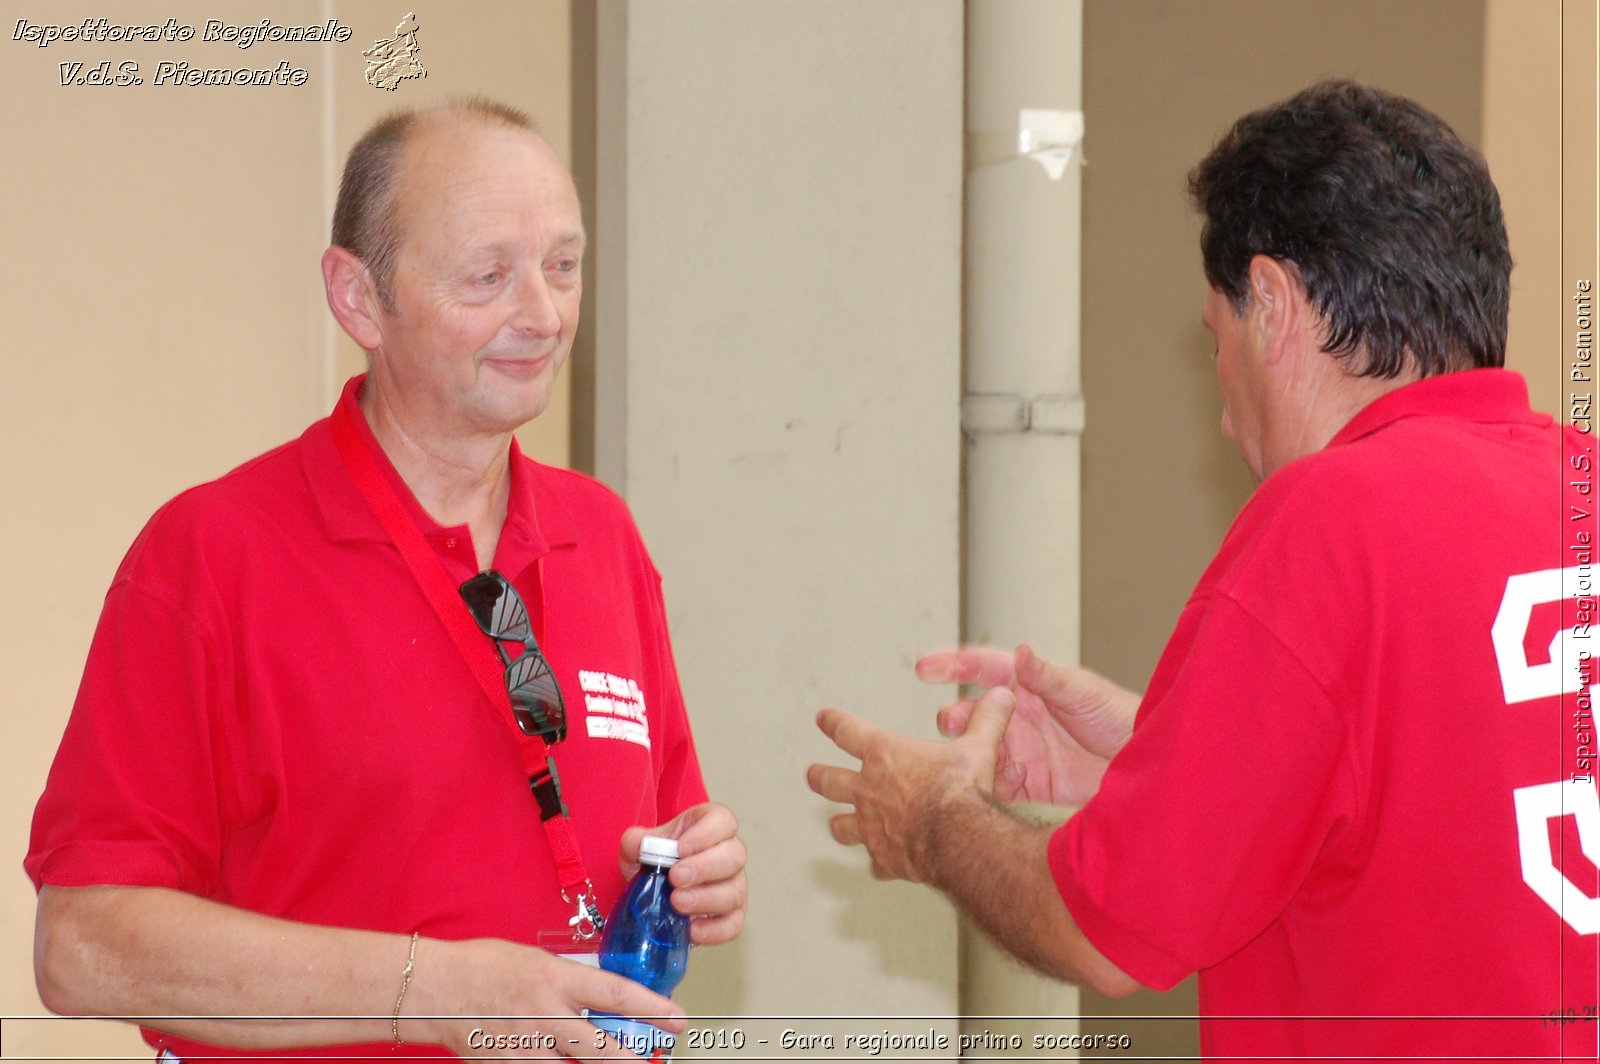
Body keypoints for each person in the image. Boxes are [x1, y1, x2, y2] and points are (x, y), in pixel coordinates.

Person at [808, 80, 1598, 1059]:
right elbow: (1449, 801)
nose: (1224, 415)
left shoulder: (1329, 517)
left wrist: (932, 818)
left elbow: (1106, 935)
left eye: (1213, 340)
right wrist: (1161, 749)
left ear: (1269, 303)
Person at [27, 98, 747, 1062]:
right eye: (488, 276)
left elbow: (654, 828)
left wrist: (700, 871)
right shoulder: (213, 556)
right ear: (359, 298)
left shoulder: (602, 535)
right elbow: (83, 947)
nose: (541, 314)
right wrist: (437, 989)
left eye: (563, 267)